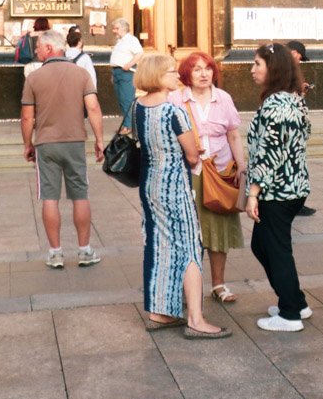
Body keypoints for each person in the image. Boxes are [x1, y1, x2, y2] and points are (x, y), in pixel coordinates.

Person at [133, 52, 230, 338]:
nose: (177, 76)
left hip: (150, 185)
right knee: (189, 247)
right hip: (175, 186)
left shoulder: (137, 106)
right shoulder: (173, 111)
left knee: (159, 245)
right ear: (157, 76)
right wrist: (194, 152)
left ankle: (159, 312)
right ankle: (196, 319)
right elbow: (191, 154)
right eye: (171, 72)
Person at [20, 30, 106, 270]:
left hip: (46, 144)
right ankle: (85, 251)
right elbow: (94, 108)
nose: (36, 50)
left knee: (49, 197)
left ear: (49, 48)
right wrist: (100, 140)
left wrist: (27, 144)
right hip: (75, 142)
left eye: (38, 46)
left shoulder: (34, 78)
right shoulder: (81, 74)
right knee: (80, 195)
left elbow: (27, 117)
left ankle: (55, 253)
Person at [168, 51, 247, 305]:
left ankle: (218, 284)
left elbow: (233, 135)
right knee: (188, 232)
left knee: (218, 230)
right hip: (187, 174)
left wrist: (241, 165)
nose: (204, 74)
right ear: (186, 74)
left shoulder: (223, 98)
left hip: (219, 173)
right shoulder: (175, 99)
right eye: (197, 69)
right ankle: (188, 288)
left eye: (208, 68)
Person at [246, 42, 313, 332]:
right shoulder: (291, 100)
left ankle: (290, 314)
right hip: (290, 187)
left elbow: (270, 154)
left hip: (278, 190)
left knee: (276, 250)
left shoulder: (278, 106)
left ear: (272, 69)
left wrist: (253, 193)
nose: (252, 69)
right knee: (263, 245)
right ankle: (296, 301)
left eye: (257, 64)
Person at [286, 40, 317, 216]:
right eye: (299, 56)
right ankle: (295, 203)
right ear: (294, 52)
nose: (299, 60)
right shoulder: (284, 72)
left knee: (297, 165)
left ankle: (297, 201)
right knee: (295, 165)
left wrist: (301, 90)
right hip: (292, 126)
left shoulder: (290, 71)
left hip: (297, 123)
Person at [109, 18, 143, 134]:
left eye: (117, 28)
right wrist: (113, 74)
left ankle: (129, 126)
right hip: (117, 72)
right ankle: (126, 125)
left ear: (124, 28)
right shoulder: (119, 41)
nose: (114, 31)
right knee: (121, 100)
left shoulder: (131, 40)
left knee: (127, 100)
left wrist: (129, 65)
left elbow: (140, 53)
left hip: (126, 73)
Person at [65, 26, 97, 91]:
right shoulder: (85, 57)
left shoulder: (62, 56)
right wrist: (93, 91)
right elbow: (91, 76)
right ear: (79, 43)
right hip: (80, 90)